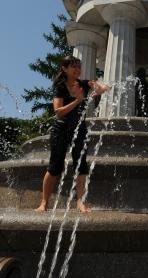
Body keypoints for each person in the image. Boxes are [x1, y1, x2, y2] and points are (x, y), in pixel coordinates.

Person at [35, 56, 109, 213]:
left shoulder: (83, 84)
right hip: (60, 129)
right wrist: (76, 101)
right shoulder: (60, 87)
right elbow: (58, 112)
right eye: (73, 66)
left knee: (81, 165)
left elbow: (101, 88)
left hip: (79, 129)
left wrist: (100, 87)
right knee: (55, 167)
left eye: (79, 66)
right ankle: (44, 202)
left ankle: (80, 202)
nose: (77, 69)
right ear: (65, 68)